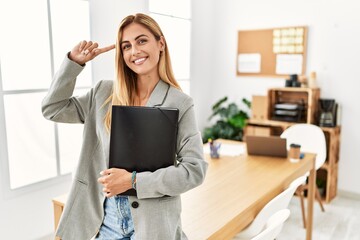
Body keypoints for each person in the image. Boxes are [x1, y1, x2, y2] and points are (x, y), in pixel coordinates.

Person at [42, 13, 208, 240]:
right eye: (126, 46)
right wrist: (73, 62)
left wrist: (133, 181)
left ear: (160, 43)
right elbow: (53, 108)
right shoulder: (103, 94)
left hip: (153, 226)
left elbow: (194, 170)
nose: (134, 51)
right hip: (104, 222)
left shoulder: (180, 103)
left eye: (142, 41)